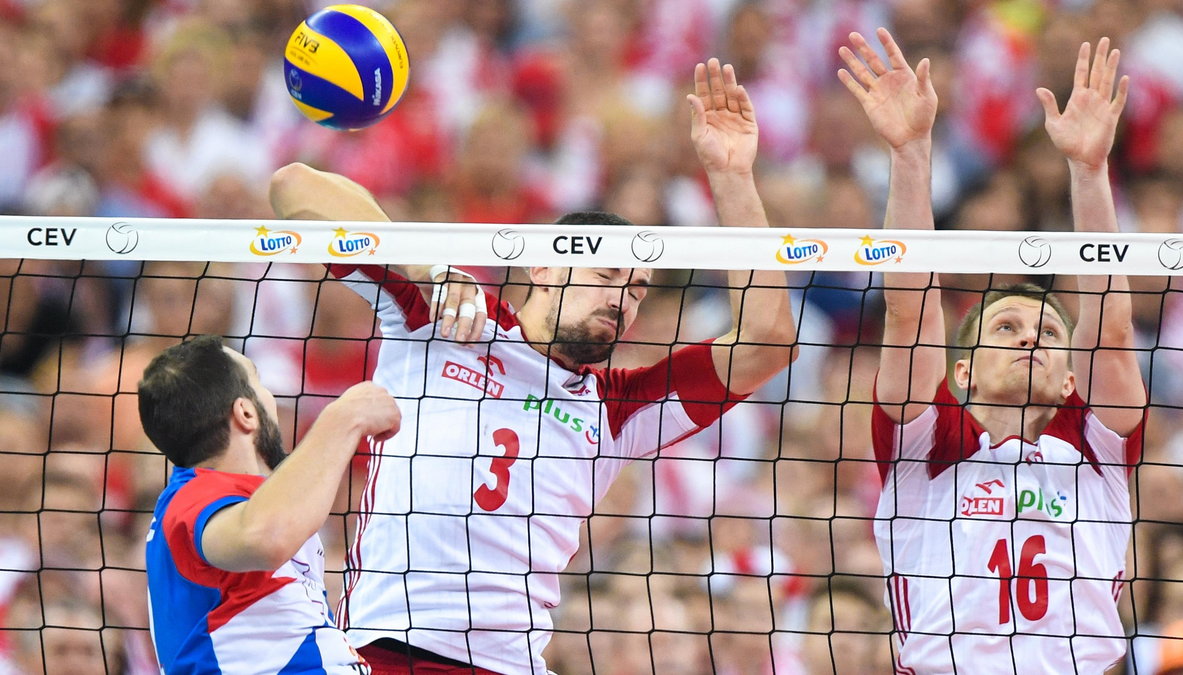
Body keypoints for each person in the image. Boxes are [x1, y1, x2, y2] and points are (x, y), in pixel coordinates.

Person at [269, 58, 797, 675]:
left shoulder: (619, 409)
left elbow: (767, 340)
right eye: (605, 278)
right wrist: (427, 269)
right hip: (385, 650)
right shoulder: (444, 314)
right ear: (544, 268)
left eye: (635, 293)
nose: (619, 302)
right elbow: (294, 187)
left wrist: (730, 175)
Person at [839, 28, 1145, 672]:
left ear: (1071, 380)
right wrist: (911, 153)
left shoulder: (1098, 444)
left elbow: (1111, 327)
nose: (1031, 335)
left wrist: (1089, 171)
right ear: (963, 372)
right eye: (1005, 327)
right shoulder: (927, 442)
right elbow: (910, 311)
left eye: (1049, 333)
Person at [139, 335, 400, 673]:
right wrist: (343, 417)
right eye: (258, 381)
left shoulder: (240, 497)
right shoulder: (192, 496)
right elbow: (265, 536)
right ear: (246, 412)